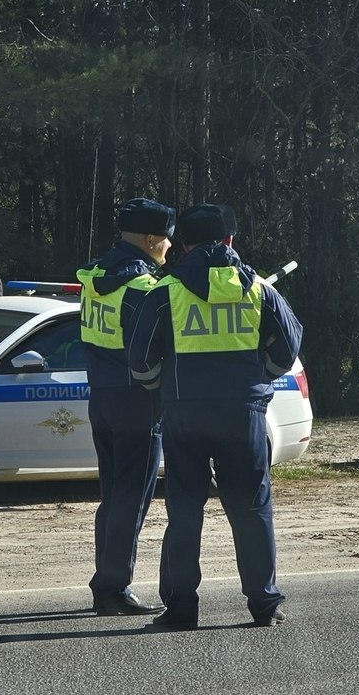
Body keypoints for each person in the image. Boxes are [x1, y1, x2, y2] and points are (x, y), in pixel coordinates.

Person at [127, 203, 303, 630]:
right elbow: (288, 349)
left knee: (185, 511)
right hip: (243, 412)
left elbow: (139, 361)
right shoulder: (259, 288)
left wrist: (165, 389)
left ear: (184, 244)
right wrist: (257, 379)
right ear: (229, 240)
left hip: (184, 413)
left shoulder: (165, 290)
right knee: (252, 508)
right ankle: (265, 605)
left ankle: (182, 609)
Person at [77, 197, 174, 616]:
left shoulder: (96, 274)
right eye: (166, 239)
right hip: (137, 403)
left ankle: (107, 582)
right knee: (131, 500)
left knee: (113, 497)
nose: (170, 246)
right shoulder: (142, 288)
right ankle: (112, 588)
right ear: (151, 239)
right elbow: (149, 353)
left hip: (102, 397)